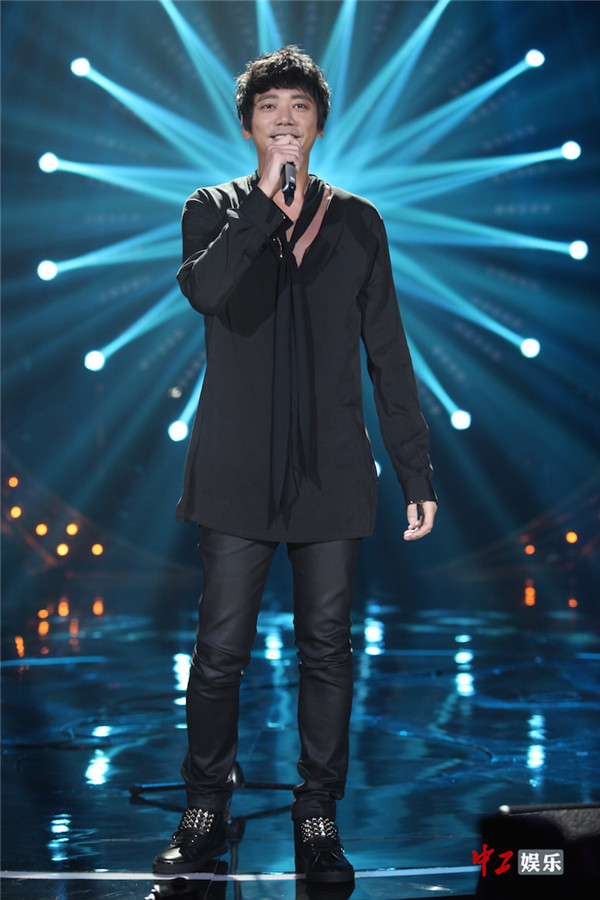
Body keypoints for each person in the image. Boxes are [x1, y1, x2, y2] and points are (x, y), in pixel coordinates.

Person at [153, 46, 437, 885]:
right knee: (219, 650)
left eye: (299, 107)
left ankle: (318, 813)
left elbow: (389, 352)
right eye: (269, 107)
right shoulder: (212, 210)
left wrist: (415, 470)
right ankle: (205, 807)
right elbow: (206, 292)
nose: (285, 119)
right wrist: (264, 211)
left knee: (327, 650)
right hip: (236, 469)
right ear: (248, 125)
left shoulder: (358, 222)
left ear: (319, 124)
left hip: (333, 469)